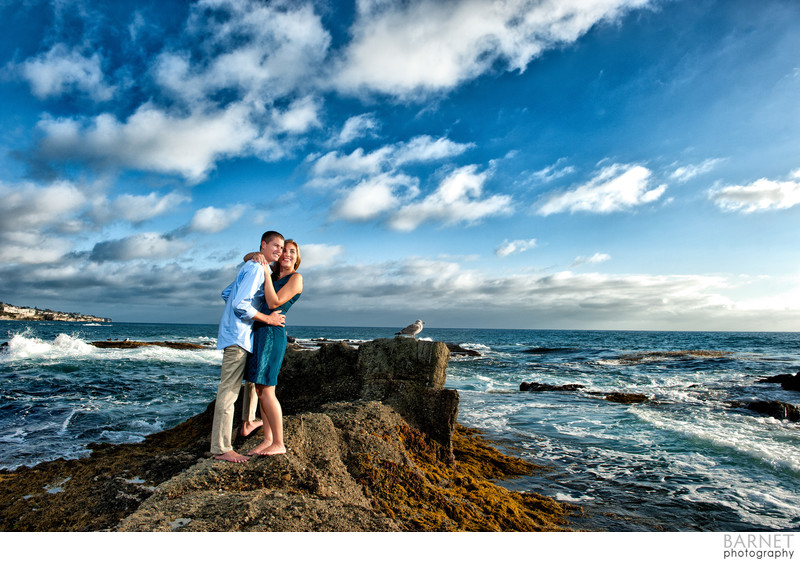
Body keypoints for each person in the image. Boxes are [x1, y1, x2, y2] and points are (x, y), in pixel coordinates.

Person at [210, 231, 287, 463]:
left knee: (252, 381)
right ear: (263, 245)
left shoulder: (253, 266)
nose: (279, 251)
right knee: (229, 391)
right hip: (238, 336)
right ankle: (221, 448)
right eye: (275, 245)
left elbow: (227, 293)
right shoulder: (256, 268)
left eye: (282, 248)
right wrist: (268, 318)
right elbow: (239, 304)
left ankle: (248, 421)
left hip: (241, 335)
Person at [243, 239, 303, 456]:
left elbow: (273, 302)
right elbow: (246, 258)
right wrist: (256, 256)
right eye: (283, 250)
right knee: (260, 389)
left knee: (268, 390)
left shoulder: (296, 278)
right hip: (260, 331)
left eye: (292, 252)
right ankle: (267, 439)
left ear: (297, 257)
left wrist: (266, 272)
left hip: (273, 333)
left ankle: (279, 442)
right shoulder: (274, 274)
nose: (287, 254)